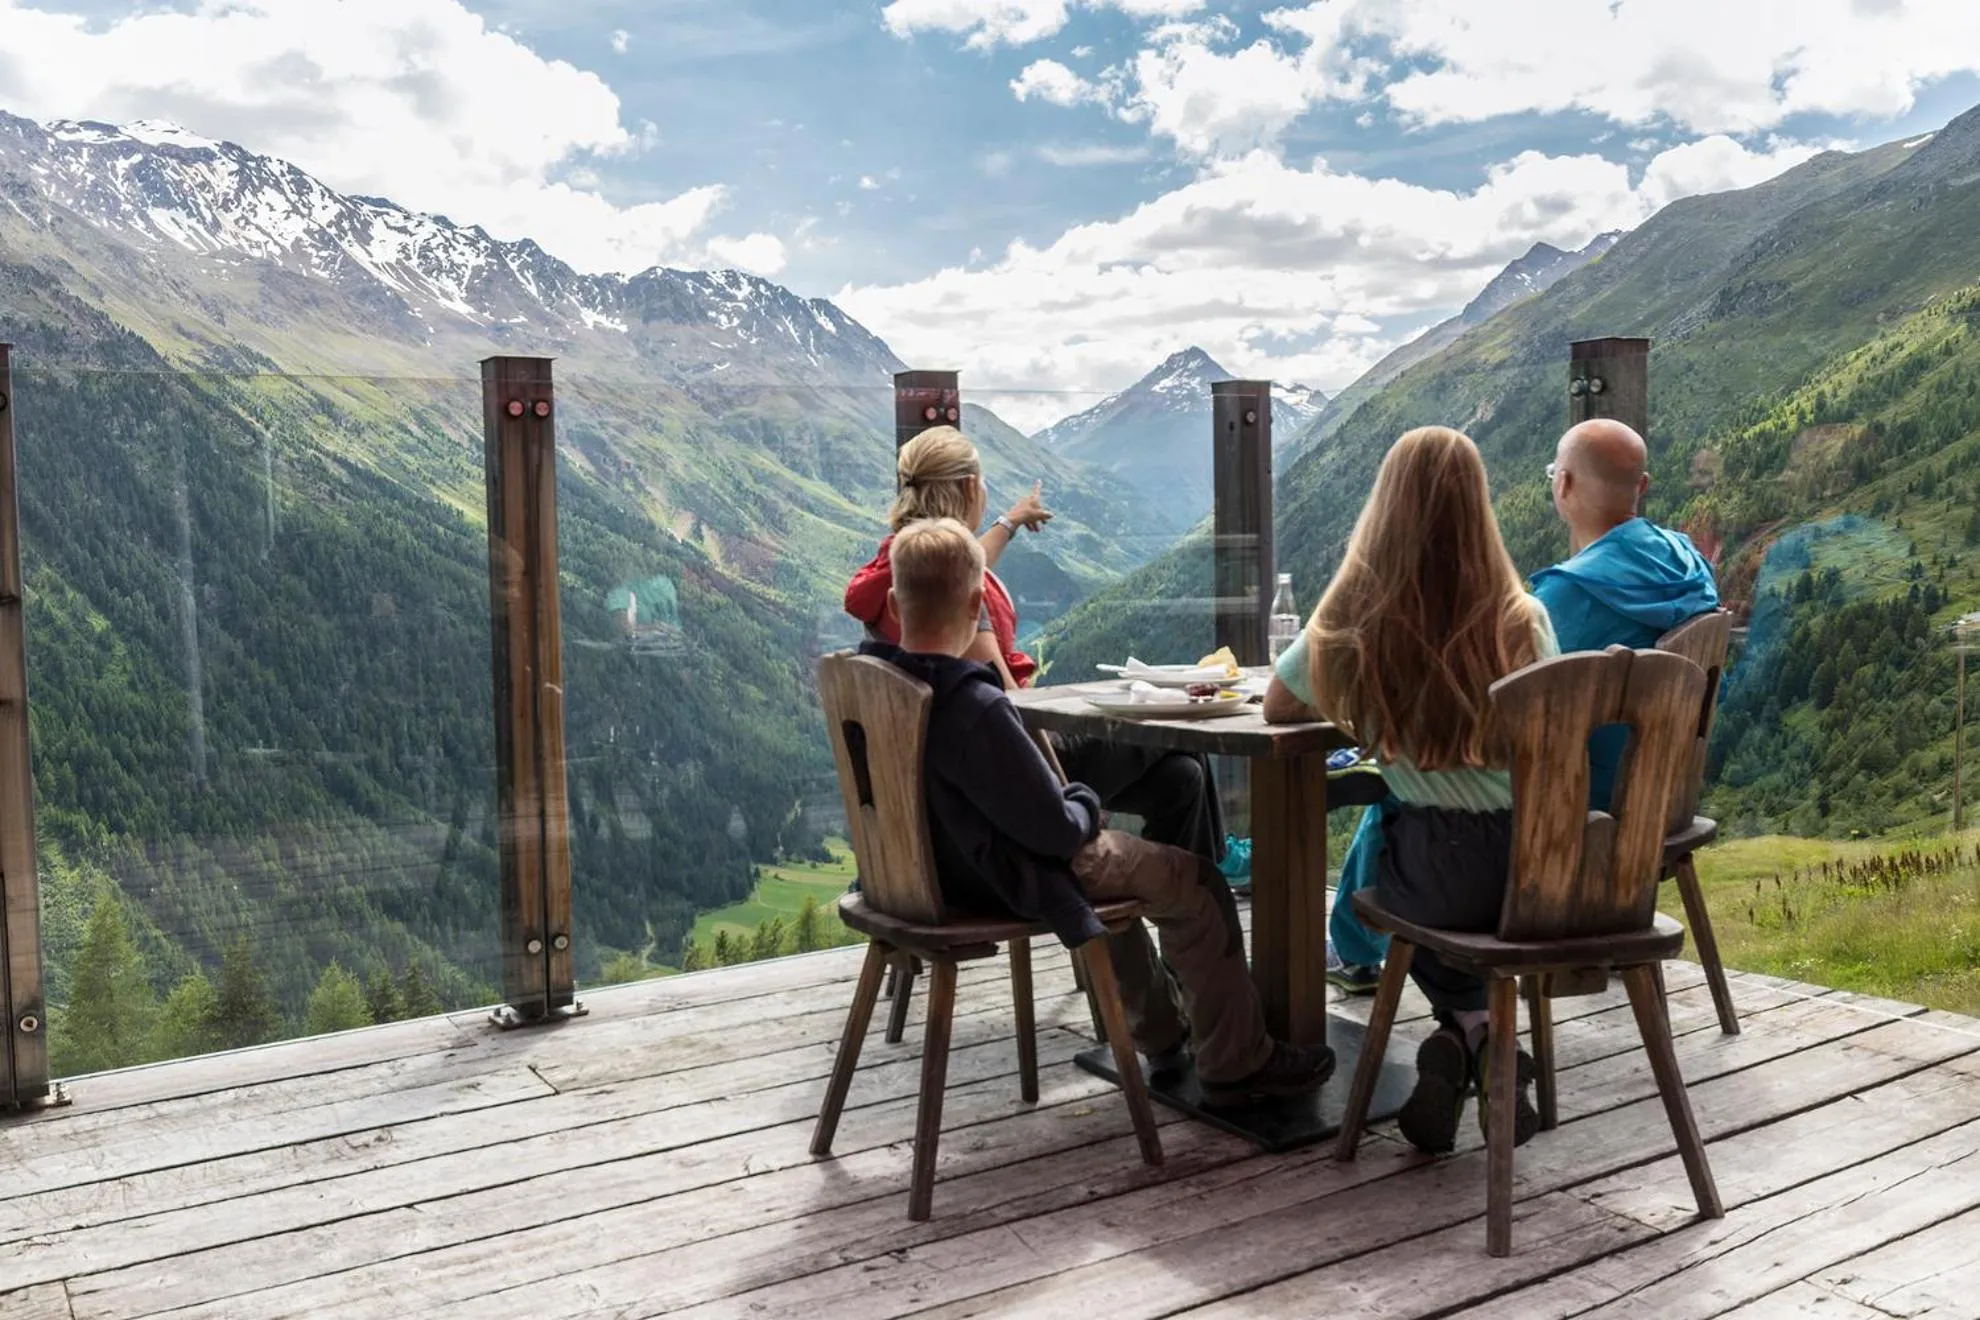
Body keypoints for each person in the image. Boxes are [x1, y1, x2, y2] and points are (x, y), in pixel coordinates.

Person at [861, 518, 1334, 1104]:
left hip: (945, 873)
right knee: (1199, 884)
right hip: (1010, 875)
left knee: (1168, 800)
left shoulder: (885, 687)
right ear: (979, 603)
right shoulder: (976, 704)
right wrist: (1085, 799)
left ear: (893, 602)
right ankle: (1236, 1062)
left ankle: (1164, 1038)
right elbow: (1058, 832)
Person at [1324, 417, 1721, 992]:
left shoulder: (1569, 594)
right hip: (1662, 796)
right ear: (1643, 486)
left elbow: (1506, 705)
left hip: (1581, 805)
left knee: (1417, 783)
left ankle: (1355, 952)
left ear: (1564, 484)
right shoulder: (1687, 565)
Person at [1265, 426, 1557, 1154]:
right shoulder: (1523, 618)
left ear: (1383, 511)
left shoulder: (1357, 623)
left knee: (1391, 867)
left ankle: (1472, 1032)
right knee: (1410, 859)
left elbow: (1277, 705)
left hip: (1437, 872)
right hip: (1543, 868)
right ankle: (1476, 1038)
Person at [845, 427, 1224, 864]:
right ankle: (1207, 884)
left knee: (1182, 778)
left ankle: (1197, 882)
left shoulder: (905, 569)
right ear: (970, 487)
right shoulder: (958, 601)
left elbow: (967, 561)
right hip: (1021, 769)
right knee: (1182, 727)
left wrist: (1009, 523)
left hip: (964, 770)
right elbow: (1008, 708)